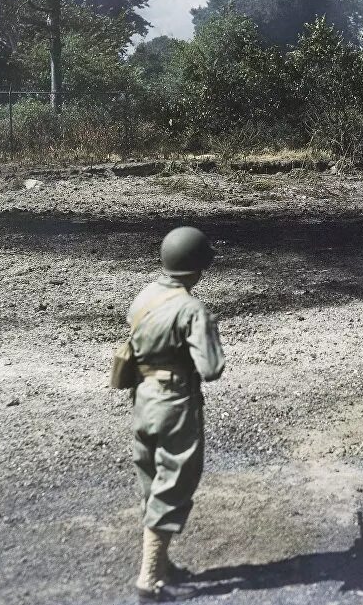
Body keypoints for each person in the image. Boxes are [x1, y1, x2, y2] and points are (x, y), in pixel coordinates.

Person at [126, 226, 226, 601]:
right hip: (175, 402)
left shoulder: (145, 295)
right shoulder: (192, 309)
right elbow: (212, 368)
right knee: (175, 481)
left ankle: (163, 564)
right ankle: (149, 576)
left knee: (151, 477)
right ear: (197, 267)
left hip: (143, 397)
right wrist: (205, 330)